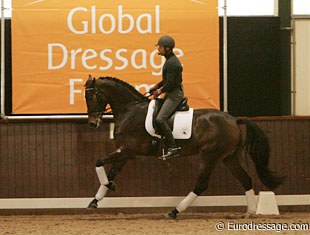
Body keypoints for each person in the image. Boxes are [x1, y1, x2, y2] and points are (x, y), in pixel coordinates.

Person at [149, 35, 184, 158]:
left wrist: (159, 91)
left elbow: (171, 83)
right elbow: (166, 80)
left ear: (167, 48)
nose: (158, 49)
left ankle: (173, 146)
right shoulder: (169, 61)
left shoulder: (173, 63)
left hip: (174, 95)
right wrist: (156, 86)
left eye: (160, 47)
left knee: (160, 119)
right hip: (170, 93)